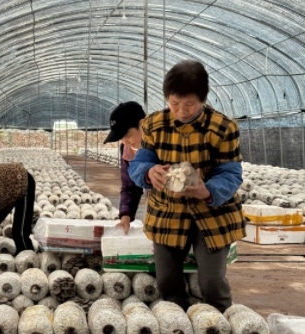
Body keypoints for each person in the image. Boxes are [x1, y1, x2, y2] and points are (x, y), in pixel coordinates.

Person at [128, 60, 246, 313]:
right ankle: (176, 321)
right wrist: (149, 172)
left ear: (203, 99)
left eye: (189, 104)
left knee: (212, 281)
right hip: (167, 212)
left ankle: (224, 322)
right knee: (167, 280)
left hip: (212, 214)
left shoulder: (223, 127)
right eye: (174, 103)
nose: (181, 110)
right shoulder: (153, 124)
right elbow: (141, 161)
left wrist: (208, 190)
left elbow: (231, 172)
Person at [103, 101, 146, 234]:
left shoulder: (163, 144)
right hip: (156, 212)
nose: (125, 142)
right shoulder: (127, 150)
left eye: (127, 136)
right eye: (121, 138)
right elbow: (130, 186)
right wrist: (125, 217)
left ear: (142, 124)